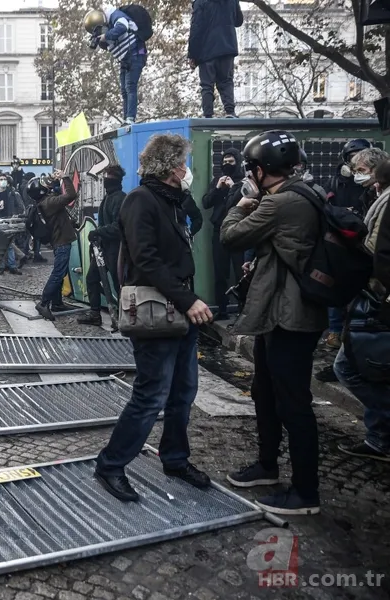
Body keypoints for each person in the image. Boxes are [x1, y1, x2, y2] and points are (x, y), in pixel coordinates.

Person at [94, 134, 213, 502]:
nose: (187, 169)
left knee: (182, 393)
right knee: (151, 396)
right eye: (183, 163)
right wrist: (188, 299)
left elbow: (191, 227)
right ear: (171, 167)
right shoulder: (141, 200)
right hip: (155, 311)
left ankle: (175, 459)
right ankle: (111, 465)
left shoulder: (172, 200)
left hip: (180, 310)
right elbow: (146, 260)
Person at [221, 130, 326, 515]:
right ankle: (267, 465)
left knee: (293, 402)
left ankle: (305, 492)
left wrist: (243, 204)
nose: (250, 174)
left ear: (263, 170)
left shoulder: (281, 202)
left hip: (291, 316)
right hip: (279, 312)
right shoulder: (305, 191)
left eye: (252, 169)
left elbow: (229, 236)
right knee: (265, 390)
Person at [333, 158, 390, 462]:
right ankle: (379, 439)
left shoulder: (386, 205)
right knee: (376, 370)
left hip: (376, 302)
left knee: (348, 366)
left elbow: (375, 253)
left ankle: (382, 432)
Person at [324, 140, 375, 350]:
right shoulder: (334, 182)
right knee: (336, 289)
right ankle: (335, 332)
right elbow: (326, 209)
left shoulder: (373, 187)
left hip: (364, 244)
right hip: (341, 243)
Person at [81, 165, 127, 326]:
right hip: (104, 247)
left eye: (109, 177)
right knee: (92, 278)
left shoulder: (119, 198)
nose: (106, 180)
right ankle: (95, 313)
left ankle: (125, 317)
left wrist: (99, 232)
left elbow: (118, 226)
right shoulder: (110, 197)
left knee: (119, 282)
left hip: (116, 249)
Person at [86, 7, 148, 124]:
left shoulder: (116, 16)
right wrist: (99, 40)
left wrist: (106, 36)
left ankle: (130, 118)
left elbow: (122, 27)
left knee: (130, 86)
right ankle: (126, 118)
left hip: (135, 54)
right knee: (124, 90)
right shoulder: (108, 27)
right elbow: (110, 43)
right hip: (125, 59)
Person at [203, 148, 245, 319]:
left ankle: (243, 309)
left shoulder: (244, 182)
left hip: (240, 231)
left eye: (231, 162)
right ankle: (222, 308)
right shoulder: (217, 181)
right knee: (220, 272)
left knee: (241, 272)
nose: (227, 165)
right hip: (219, 231)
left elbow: (241, 202)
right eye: (225, 162)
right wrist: (218, 188)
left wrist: (233, 187)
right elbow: (206, 203)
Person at [32, 172, 78, 321]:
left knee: (61, 272)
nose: (47, 185)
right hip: (62, 242)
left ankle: (57, 303)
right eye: (44, 185)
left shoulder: (44, 202)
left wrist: (54, 182)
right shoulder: (49, 202)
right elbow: (71, 195)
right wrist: (65, 177)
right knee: (58, 273)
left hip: (58, 240)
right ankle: (44, 303)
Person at [187, 0, 243, 118]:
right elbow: (238, 21)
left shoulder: (200, 2)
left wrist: (192, 55)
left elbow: (196, 28)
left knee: (207, 85)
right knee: (226, 81)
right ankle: (230, 112)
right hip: (227, 46)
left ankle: (208, 114)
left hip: (207, 49)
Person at [0, 174, 24, 275]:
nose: (3, 181)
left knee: (9, 243)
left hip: (9, 220)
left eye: (4, 179)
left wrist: (16, 215)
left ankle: (11, 266)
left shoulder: (11, 194)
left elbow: (19, 206)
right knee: (0, 244)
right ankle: (3, 266)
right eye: (1, 179)